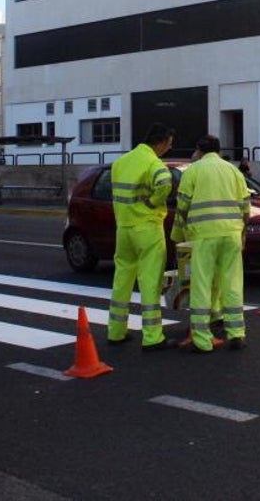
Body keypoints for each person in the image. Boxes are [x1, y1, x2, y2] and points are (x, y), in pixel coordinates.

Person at [173, 134, 250, 353]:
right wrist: (242, 233)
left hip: (205, 235)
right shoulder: (233, 170)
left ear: (199, 150)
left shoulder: (193, 171)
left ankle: (201, 338)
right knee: (232, 282)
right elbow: (246, 206)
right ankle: (236, 333)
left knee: (202, 283)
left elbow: (182, 206)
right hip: (232, 233)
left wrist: (178, 235)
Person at [107, 123, 175, 351]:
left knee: (122, 279)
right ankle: (152, 336)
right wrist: (153, 202)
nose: (169, 148)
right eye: (169, 143)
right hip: (146, 228)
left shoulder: (121, 162)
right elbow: (165, 183)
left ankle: (115, 331)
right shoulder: (154, 163)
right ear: (163, 142)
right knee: (150, 281)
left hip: (123, 228)